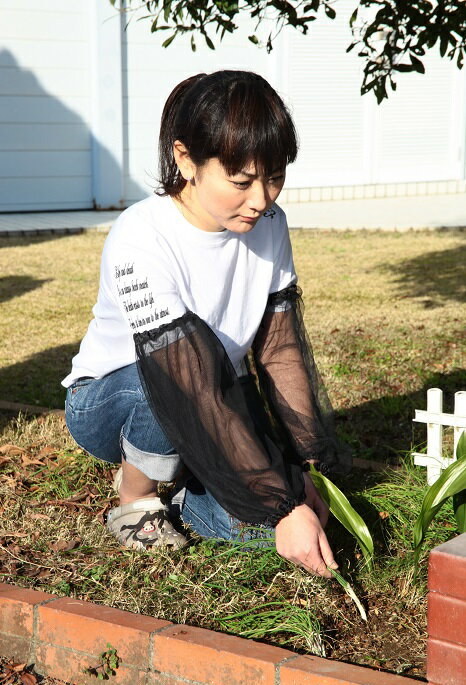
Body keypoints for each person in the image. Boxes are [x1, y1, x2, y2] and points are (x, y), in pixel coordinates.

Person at [63, 70, 350, 578]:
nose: (261, 199)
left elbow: (279, 348)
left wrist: (303, 469)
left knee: (272, 528)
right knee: (170, 383)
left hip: (220, 387)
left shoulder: (270, 223)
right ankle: (136, 497)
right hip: (119, 397)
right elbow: (186, 375)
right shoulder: (142, 237)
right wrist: (282, 506)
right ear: (184, 159)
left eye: (274, 176)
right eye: (240, 181)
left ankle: (192, 499)